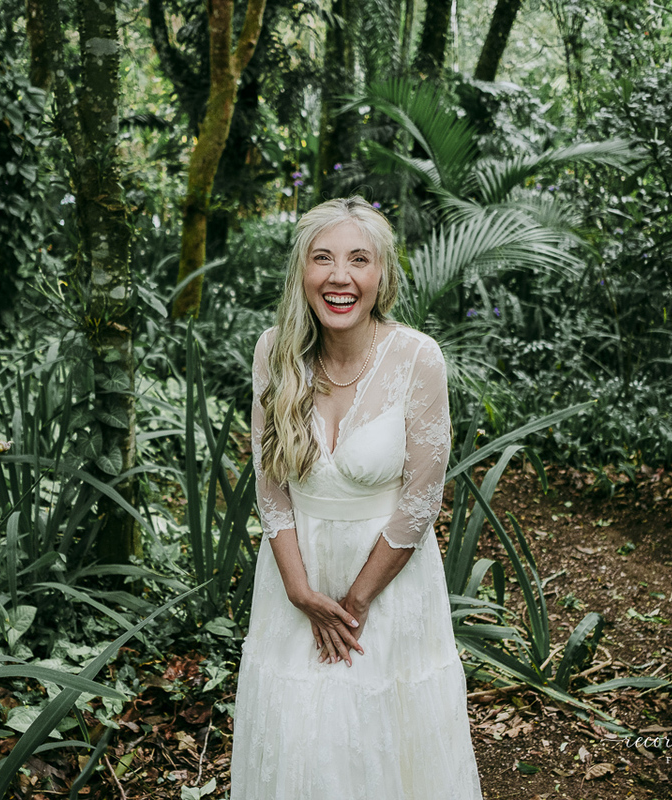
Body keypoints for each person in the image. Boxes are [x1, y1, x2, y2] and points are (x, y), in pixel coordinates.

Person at [230, 197, 482, 799]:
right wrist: (299, 591)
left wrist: (355, 601)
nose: (339, 277)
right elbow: (272, 485)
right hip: (295, 577)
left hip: (388, 589)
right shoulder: (276, 351)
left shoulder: (418, 358)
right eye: (323, 259)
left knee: (378, 742)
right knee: (298, 736)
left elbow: (422, 498)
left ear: (382, 277)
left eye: (358, 260)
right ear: (302, 273)